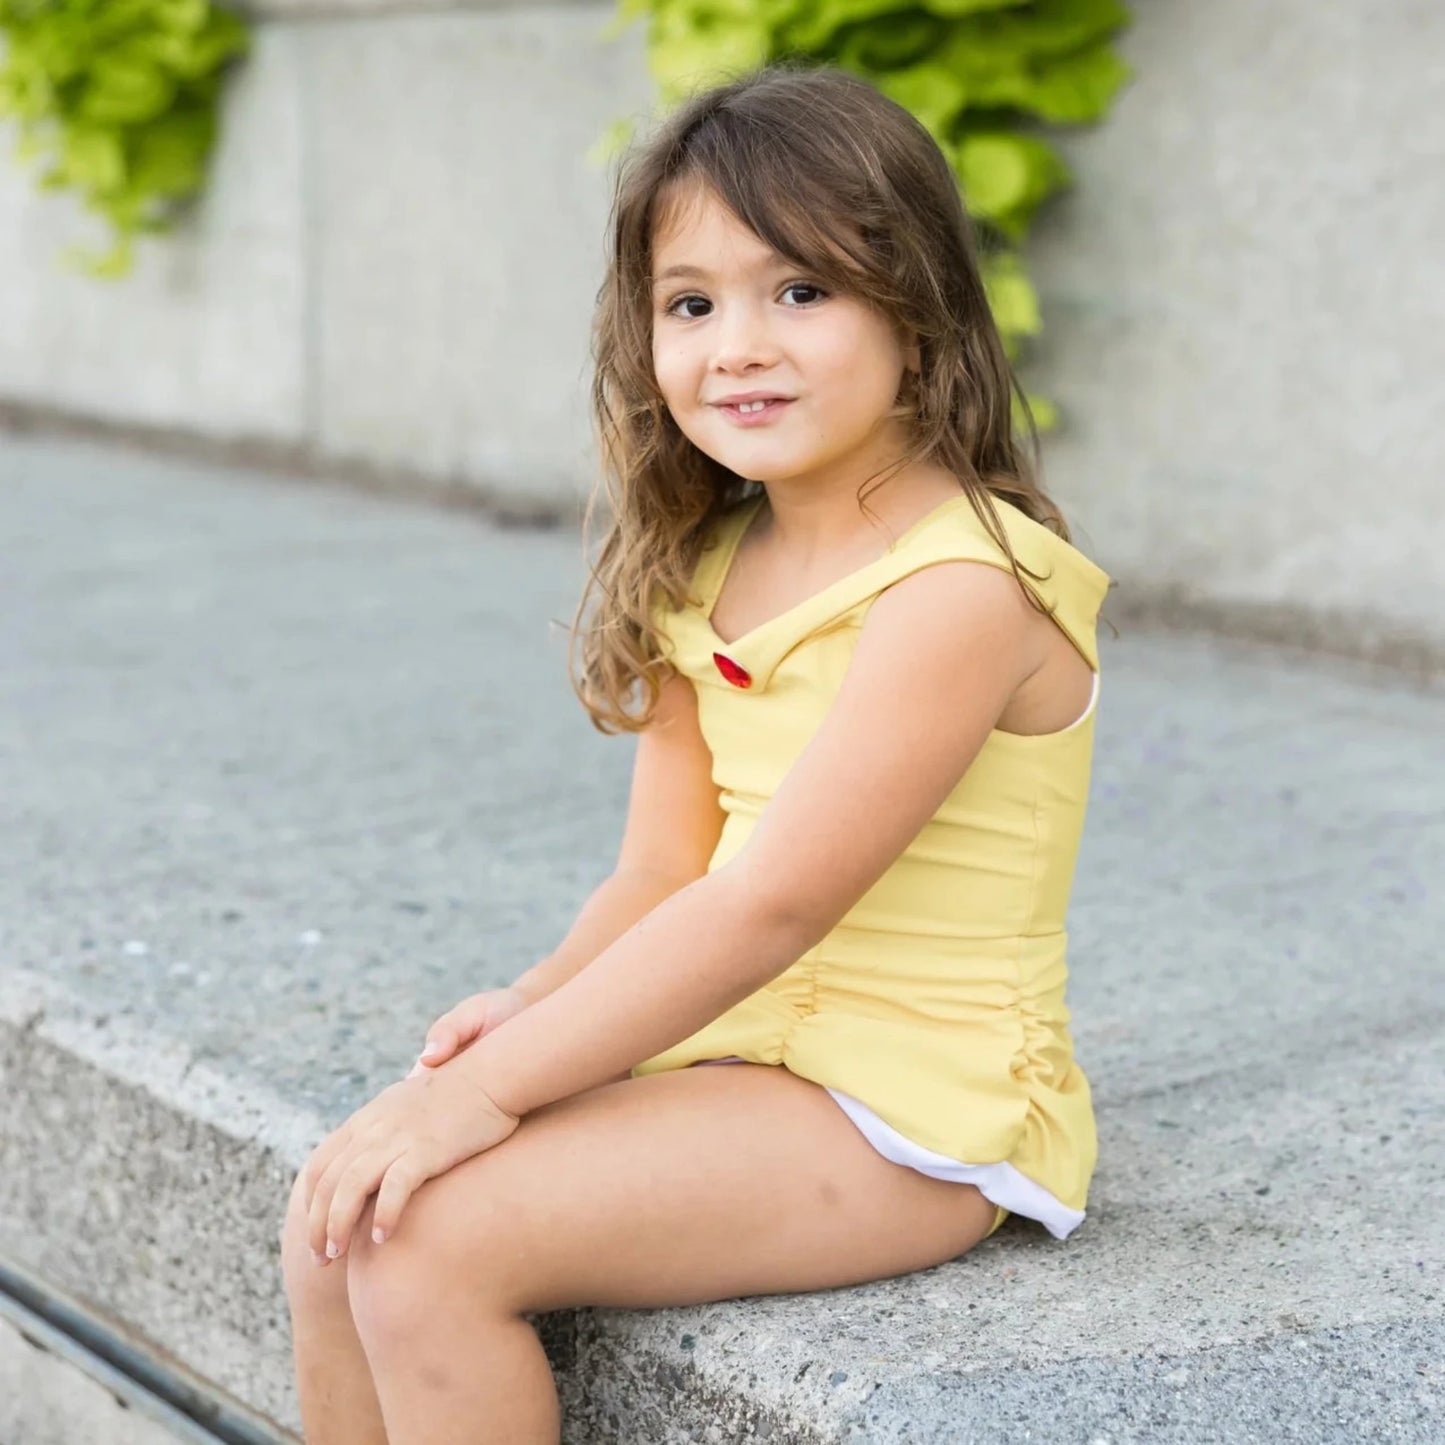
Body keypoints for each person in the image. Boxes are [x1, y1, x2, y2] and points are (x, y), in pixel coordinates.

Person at [281, 62, 1112, 1445]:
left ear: (915, 308)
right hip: (741, 1053)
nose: (738, 343)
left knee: (426, 1247)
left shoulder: (961, 586)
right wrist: (534, 1004)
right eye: (691, 302)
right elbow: (665, 867)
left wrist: (495, 1094)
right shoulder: (710, 561)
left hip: (912, 1109)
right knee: (340, 1220)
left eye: (800, 290)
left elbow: (767, 898)